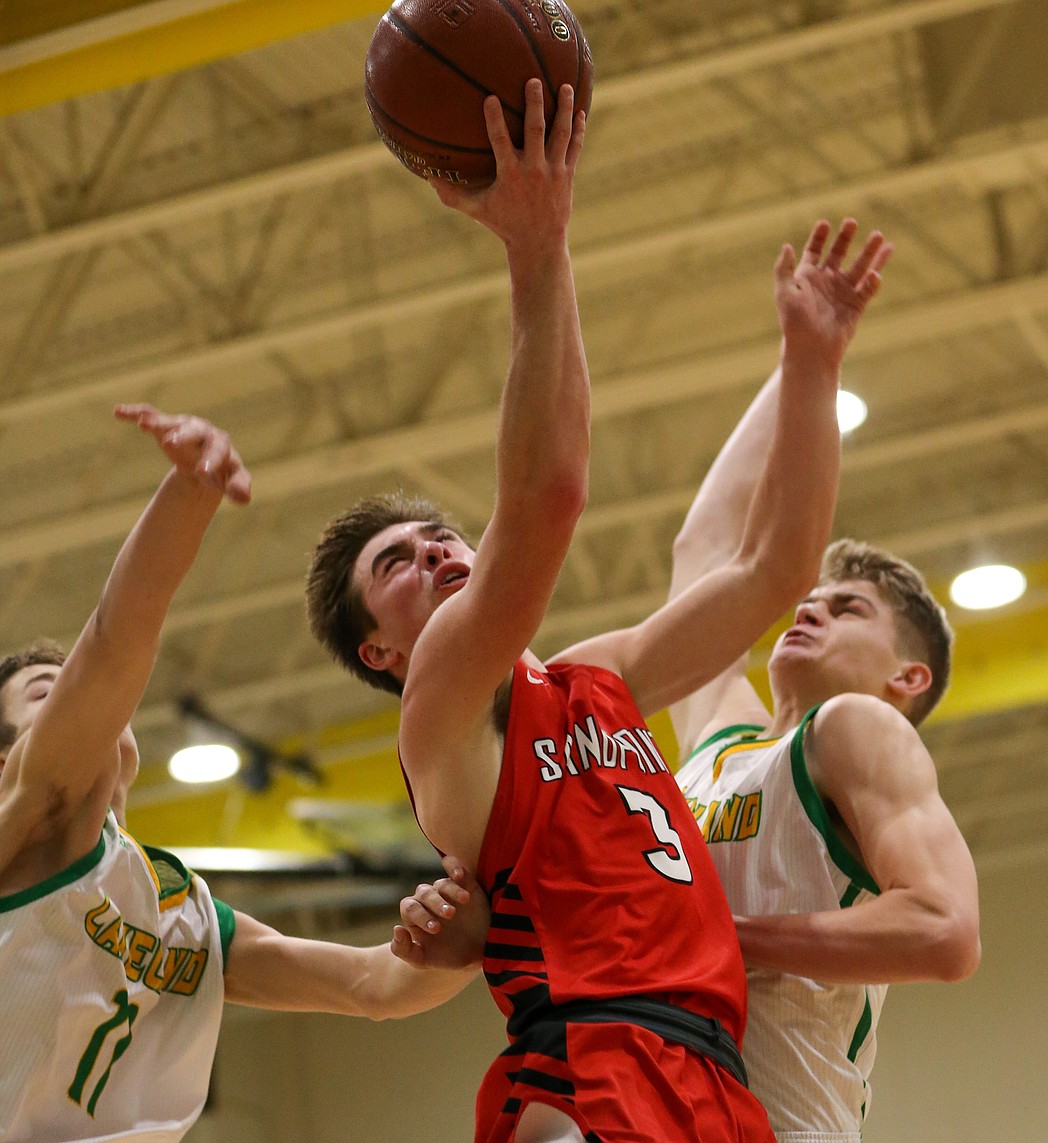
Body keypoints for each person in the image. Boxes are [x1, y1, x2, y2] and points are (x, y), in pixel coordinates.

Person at [306, 61, 892, 1137]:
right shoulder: (439, 708)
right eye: (394, 564)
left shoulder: (597, 681)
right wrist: (539, 246)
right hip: (588, 1062)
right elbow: (547, 500)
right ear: (381, 654)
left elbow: (772, 569)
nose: (434, 552)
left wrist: (810, 368)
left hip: (712, 1079)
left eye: (436, 534)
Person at [0, 405, 487, 1142]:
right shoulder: (22, 821)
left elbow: (375, 985)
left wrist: (480, 920)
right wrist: (190, 492)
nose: (74, 690)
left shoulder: (180, 911)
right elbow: (113, 640)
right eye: (46, 690)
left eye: (69, 678)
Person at [667, 358, 982, 1134]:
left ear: (907, 676)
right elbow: (702, 549)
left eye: (846, 609)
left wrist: (725, 938)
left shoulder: (855, 728)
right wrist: (799, 360)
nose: (809, 609)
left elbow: (945, 928)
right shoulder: (719, 739)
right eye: (809, 598)